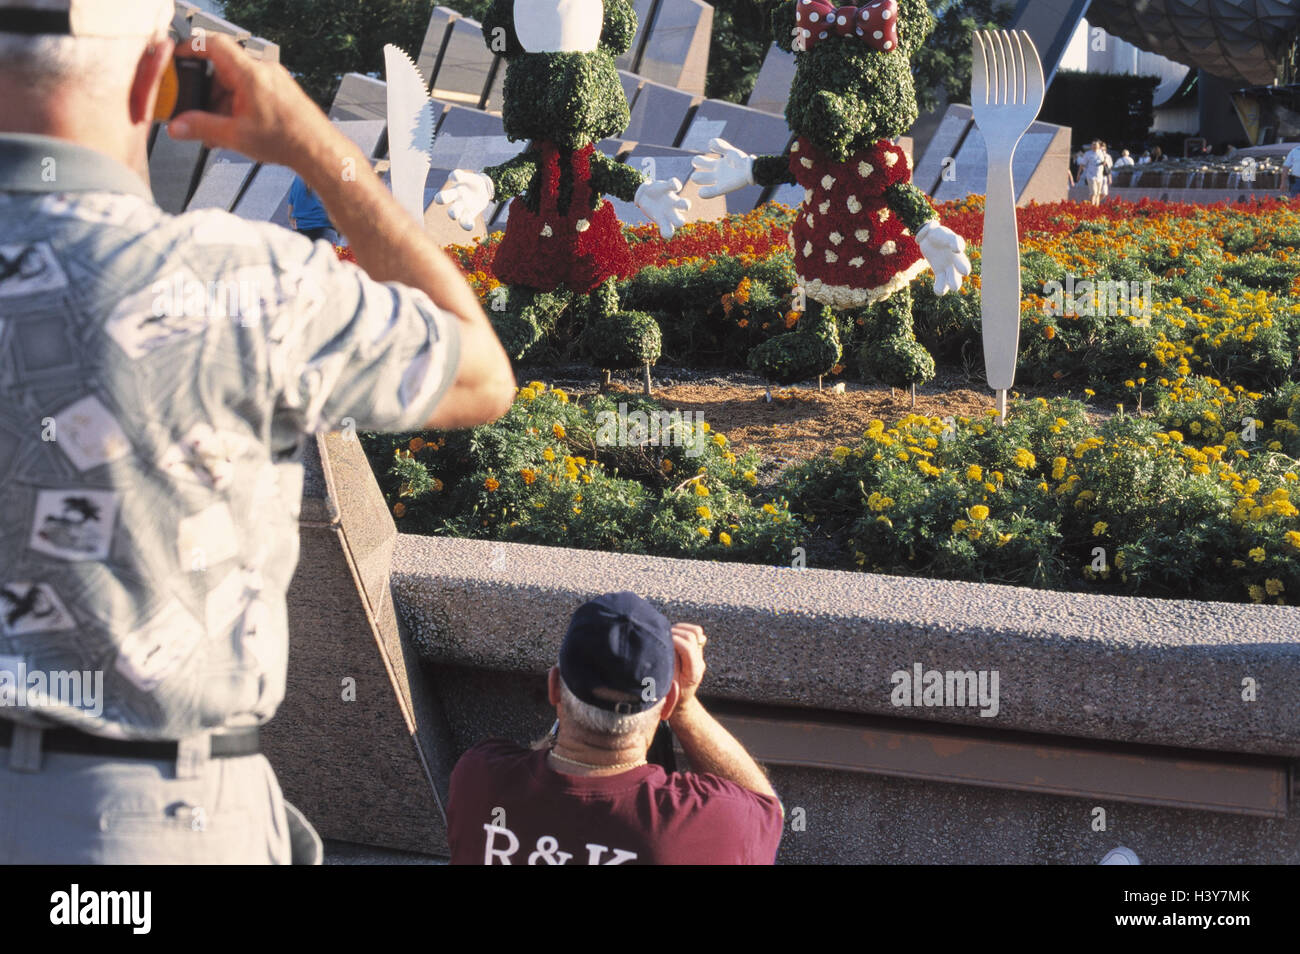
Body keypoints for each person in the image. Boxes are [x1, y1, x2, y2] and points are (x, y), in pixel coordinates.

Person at [0, 0, 516, 864]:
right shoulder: (241, 285)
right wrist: (318, 150)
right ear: (148, 82)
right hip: (135, 831)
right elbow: (479, 374)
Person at [446, 592, 785, 864]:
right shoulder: (711, 821)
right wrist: (686, 709)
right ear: (665, 703)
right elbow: (767, 812)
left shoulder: (479, 777)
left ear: (553, 688)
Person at [287, 174, 339, 245]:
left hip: (300, 233)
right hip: (325, 232)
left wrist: (292, 219)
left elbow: (290, 209)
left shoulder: (297, 178)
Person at [1078, 140, 1111, 206]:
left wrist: (1105, 163)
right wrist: (1078, 174)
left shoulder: (1103, 153)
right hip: (1090, 175)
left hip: (1100, 176)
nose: (1094, 146)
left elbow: (1107, 165)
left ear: (1099, 146)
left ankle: (1096, 207)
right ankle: (1092, 207)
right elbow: (1082, 164)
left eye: (1096, 144)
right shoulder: (1088, 154)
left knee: (1098, 193)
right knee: (1093, 192)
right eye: (1093, 144)